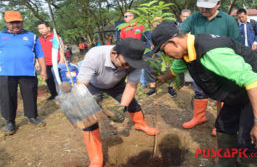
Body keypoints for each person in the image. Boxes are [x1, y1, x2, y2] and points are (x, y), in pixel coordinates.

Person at [153, 21, 257, 166]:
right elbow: (177, 68)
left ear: (173, 42)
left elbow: (252, 80)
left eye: (163, 50)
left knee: (249, 138)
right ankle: (226, 163)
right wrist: (163, 78)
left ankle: (249, 162)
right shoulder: (187, 51)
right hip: (238, 90)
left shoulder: (211, 52)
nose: (166, 55)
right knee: (224, 126)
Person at [77, 38, 159, 166]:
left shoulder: (134, 62)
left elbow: (131, 86)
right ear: (114, 54)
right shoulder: (94, 55)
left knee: (132, 104)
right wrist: (86, 100)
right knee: (88, 119)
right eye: (126, 64)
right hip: (94, 85)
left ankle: (140, 124)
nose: (128, 67)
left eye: (131, 65)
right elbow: (82, 85)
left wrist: (122, 107)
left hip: (116, 84)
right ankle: (95, 158)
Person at [179, 0, 240, 136]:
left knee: (223, 93)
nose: (203, 9)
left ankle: (222, 123)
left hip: (222, 64)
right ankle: (199, 117)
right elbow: (181, 33)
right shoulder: (194, 18)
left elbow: (236, 43)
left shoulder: (228, 20)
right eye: (201, 6)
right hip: (199, 62)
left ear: (218, 4)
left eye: (208, 6)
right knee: (199, 90)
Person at [0, 11, 47, 136]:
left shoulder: (32, 36)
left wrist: (44, 70)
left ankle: (32, 117)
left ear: (22, 22)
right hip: (6, 73)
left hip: (27, 72)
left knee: (30, 95)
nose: (15, 25)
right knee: (7, 98)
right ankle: (10, 122)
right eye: (12, 22)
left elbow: (40, 54)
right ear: (6, 23)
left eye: (18, 22)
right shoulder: (0, 36)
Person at [143, 16, 177, 97]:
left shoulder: (165, 30)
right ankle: (152, 88)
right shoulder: (146, 31)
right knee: (150, 70)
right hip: (150, 54)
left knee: (167, 69)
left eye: (159, 21)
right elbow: (143, 40)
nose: (157, 23)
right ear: (151, 22)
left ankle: (170, 88)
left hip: (163, 53)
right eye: (155, 21)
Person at [37, 21, 65, 100]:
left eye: (42, 28)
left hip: (57, 62)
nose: (41, 30)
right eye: (39, 29)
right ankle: (54, 94)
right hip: (46, 63)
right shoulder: (39, 39)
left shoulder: (56, 37)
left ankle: (64, 93)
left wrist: (62, 59)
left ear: (48, 28)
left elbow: (62, 48)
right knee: (48, 79)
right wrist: (37, 62)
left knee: (59, 78)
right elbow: (38, 52)